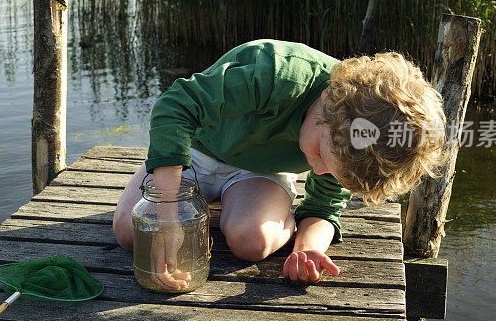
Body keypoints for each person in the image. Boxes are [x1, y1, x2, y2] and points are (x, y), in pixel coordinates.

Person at [112, 39, 446, 290]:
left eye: (330, 172)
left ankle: (273, 212)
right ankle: (189, 197)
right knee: (131, 230)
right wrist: (169, 209)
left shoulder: (345, 150)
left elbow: (323, 206)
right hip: (195, 149)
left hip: (260, 172)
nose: (316, 172)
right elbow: (176, 106)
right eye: (318, 155)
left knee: (251, 243)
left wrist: (308, 248)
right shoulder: (278, 72)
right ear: (330, 102)